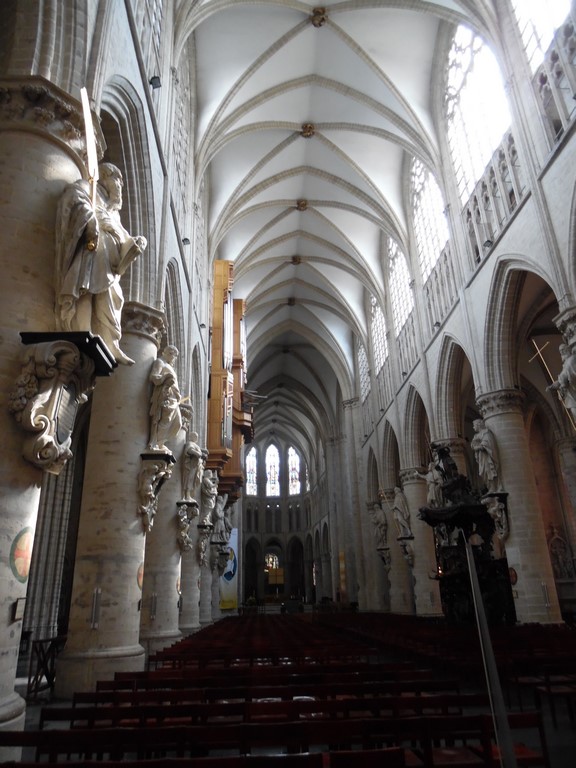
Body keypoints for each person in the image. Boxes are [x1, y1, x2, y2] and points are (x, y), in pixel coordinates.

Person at [56, 163, 147, 365]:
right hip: (93, 252)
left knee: (114, 298)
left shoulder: (113, 211)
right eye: (118, 180)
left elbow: (122, 235)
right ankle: (82, 331)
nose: (120, 185)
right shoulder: (90, 188)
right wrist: (90, 220)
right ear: (104, 175)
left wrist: (135, 243)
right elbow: (73, 196)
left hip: (110, 264)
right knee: (86, 291)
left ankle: (111, 343)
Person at [148, 345, 182, 452]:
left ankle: (160, 442)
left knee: (178, 423)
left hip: (174, 399)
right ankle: (156, 443)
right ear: (169, 353)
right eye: (174, 356)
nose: (174, 359)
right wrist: (165, 378)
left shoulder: (168, 365)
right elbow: (153, 376)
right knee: (164, 420)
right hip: (165, 395)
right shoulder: (160, 362)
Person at [548, 343, 576, 425]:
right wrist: (554, 385)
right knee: (574, 411)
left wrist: (562, 382)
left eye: (563, 350)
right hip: (570, 393)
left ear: (568, 349)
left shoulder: (571, 360)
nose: (562, 352)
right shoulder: (566, 363)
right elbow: (563, 377)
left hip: (573, 388)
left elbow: (569, 375)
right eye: (560, 351)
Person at [471, 418, 500, 493]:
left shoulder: (486, 432)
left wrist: (478, 446)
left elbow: (487, 443)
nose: (473, 427)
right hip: (482, 456)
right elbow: (473, 444)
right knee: (483, 472)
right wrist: (476, 446)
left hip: (487, 456)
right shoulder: (476, 435)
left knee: (488, 470)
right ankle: (490, 487)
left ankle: (493, 487)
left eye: (474, 425)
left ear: (478, 425)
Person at [182, 431, 204, 501]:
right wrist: (197, 453)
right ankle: (186, 495)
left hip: (195, 464)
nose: (196, 438)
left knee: (192, 480)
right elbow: (189, 450)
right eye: (195, 436)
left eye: (197, 437)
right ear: (191, 436)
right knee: (189, 479)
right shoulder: (190, 443)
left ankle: (189, 495)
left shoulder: (195, 445)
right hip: (191, 464)